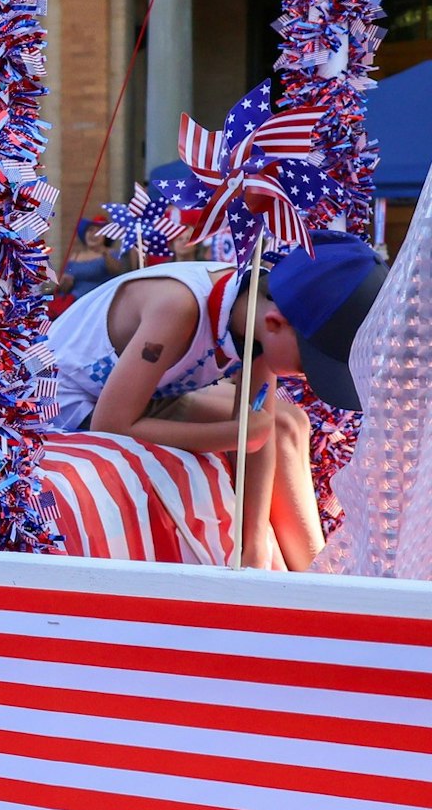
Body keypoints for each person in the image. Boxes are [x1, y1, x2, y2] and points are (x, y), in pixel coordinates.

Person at [47, 230, 388, 571]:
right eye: (307, 365)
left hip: (146, 394)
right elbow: (112, 423)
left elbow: (257, 427)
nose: (304, 378)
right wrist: (235, 434)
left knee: (288, 422)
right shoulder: (178, 306)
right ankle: (317, 584)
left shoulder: (258, 309)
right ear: (274, 323)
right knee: (274, 426)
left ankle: (318, 576)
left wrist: (252, 542)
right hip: (70, 401)